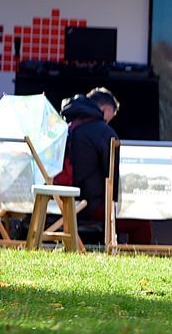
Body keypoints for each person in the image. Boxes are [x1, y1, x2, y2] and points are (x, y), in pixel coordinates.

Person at [59, 88, 149, 244]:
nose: (109, 120)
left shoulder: (66, 125)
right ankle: (141, 262)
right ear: (106, 109)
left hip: (63, 203)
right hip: (91, 206)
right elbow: (113, 173)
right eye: (111, 116)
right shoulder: (102, 131)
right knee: (142, 222)